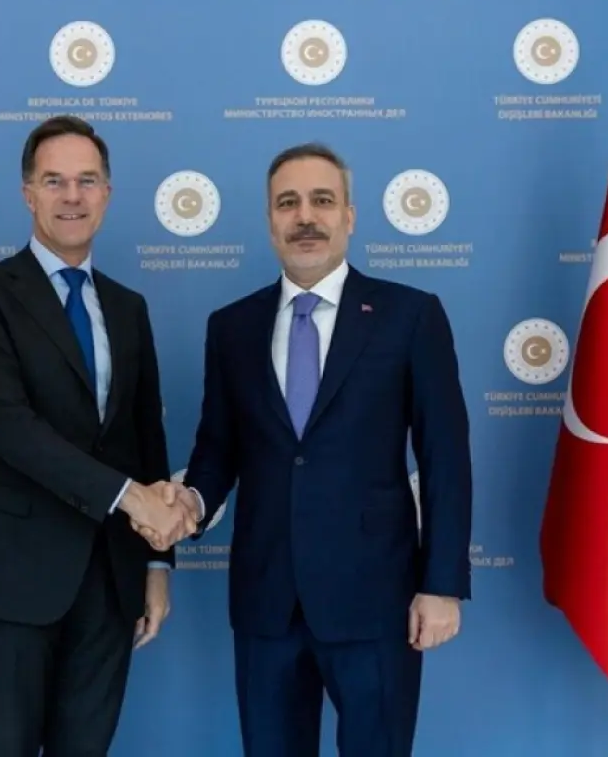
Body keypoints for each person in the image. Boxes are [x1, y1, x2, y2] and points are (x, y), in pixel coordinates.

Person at [147, 142, 473, 756]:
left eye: (322, 201)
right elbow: (217, 449)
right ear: (270, 219)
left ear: (349, 215)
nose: (305, 217)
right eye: (287, 203)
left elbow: (446, 459)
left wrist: (442, 585)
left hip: (377, 600)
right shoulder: (231, 327)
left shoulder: (409, 316)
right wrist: (190, 502)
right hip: (266, 602)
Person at [0, 114, 199, 756]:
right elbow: (11, 428)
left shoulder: (128, 307)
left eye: (87, 181)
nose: (72, 196)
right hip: (14, 574)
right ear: (28, 194)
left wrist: (158, 565)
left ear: (107, 194)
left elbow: (146, 438)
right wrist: (131, 498)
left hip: (111, 578)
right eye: (54, 181)